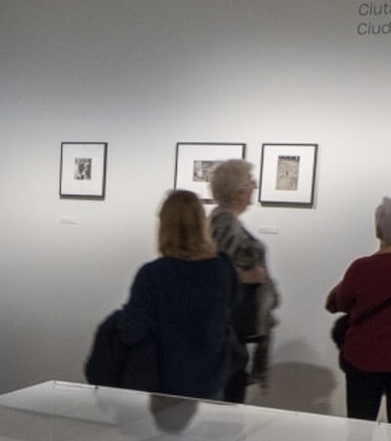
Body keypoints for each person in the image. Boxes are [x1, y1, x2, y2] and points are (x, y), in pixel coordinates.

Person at [117, 189, 240, 401]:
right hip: (210, 377)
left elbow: (132, 330)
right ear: (201, 223)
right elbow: (231, 309)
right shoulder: (221, 268)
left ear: (164, 226)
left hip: (162, 382)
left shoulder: (153, 274)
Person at [325, 197, 391, 425]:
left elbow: (335, 303)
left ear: (377, 229)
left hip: (364, 358)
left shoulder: (361, 267)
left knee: (359, 429)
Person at [208, 159, 280, 402]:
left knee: (231, 393)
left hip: (234, 326)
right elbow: (215, 269)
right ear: (239, 190)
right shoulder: (224, 221)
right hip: (229, 326)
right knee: (228, 399)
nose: (255, 187)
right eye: (251, 183)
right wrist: (249, 276)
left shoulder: (228, 221)